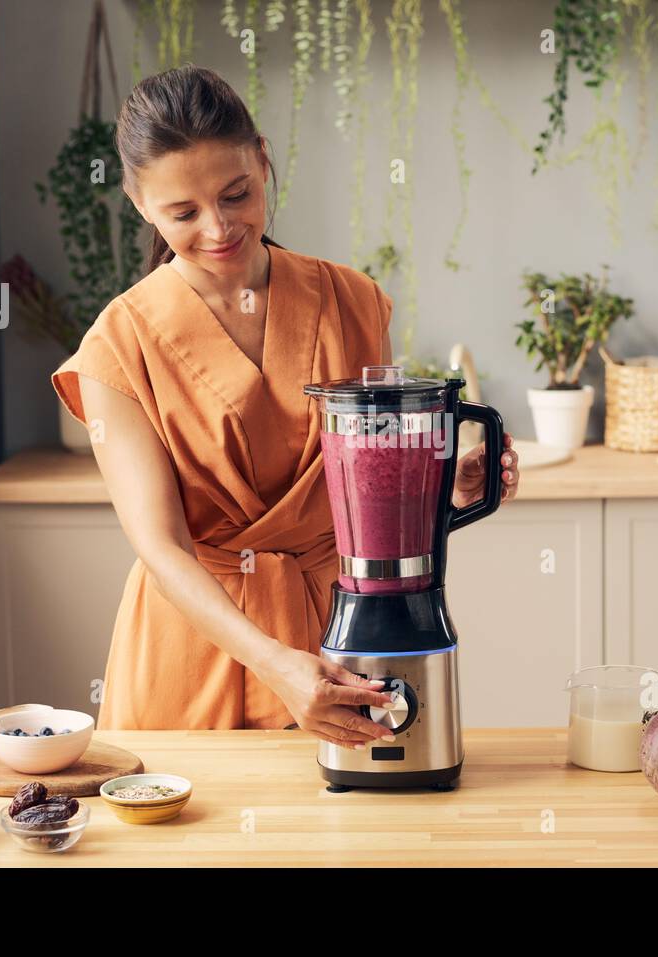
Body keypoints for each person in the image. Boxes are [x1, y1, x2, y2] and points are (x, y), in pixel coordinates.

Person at [52, 66, 519, 746]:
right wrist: (273, 663)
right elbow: (161, 545)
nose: (217, 227)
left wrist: (442, 489)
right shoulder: (117, 346)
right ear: (139, 202)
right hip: (192, 650)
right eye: (182, 213)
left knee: (347, 844)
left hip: (341, 630)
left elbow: (367, 497)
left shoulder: (354, 303)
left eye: (236, 194)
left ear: (263, 161)